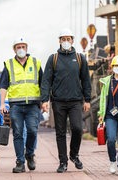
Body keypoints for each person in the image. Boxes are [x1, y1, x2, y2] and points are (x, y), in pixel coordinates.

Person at [41, 28, 91, 173]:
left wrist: (87, 99)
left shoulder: (80, 58)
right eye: (63, 39)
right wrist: (45, 99)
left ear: (72, 41)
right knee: (60, 132)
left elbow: (86, 80)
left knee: (77, 128)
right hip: (58, 102)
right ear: (59, 41)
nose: (66, 42)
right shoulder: (53, 58)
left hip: (76, 101)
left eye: (68, 39)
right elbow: (46, 81)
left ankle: (74, 155)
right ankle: (63, 162)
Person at [0, 37, 43, 173]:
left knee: (32, 131)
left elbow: (43, 84)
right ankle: (20, 162)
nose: (21, 49)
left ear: (27, 48)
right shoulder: (9, 64)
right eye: (18, 47)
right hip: (16, 105)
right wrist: (2, 104)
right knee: (18, 133)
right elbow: (3, 85)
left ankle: (29, 154)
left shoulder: (36, 63)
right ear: (14, 49)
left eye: (23, 47)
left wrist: (45, 102)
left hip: (33, 104)